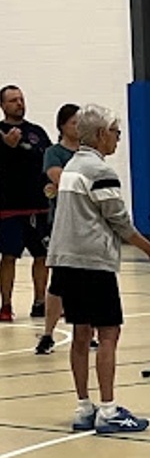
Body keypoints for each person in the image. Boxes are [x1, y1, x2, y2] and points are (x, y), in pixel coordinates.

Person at [46, 104, 150, 433]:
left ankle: (84, 408)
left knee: (80, 334)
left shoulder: (72, 165)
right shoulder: (101, 172)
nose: (118, 139)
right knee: (109, 333)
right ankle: (109, 410)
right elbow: (120, 223)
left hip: (65, 261)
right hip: (92, 263)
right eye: (115, 132)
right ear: (101, 134)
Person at [0, 85, 52, 323]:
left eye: (21, 99)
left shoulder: (36, 132)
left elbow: (47, 157)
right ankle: (6, 305)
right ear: (3, 106)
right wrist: (7, 148)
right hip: (9, 207)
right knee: (9, 256)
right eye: (13, 100)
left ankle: (40, 302)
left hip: (38, 205)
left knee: (42, 255)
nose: (19, 103)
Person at [34, 103, 81, 355]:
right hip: (62, 223)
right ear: (62, 125)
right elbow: (61, 181)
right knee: (59, 281)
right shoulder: (54, 153)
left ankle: (86, 331)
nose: (78, 127)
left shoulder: (90, 153)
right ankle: (47, 334)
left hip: (86, 225)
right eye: (74, 122)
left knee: (86, 279)